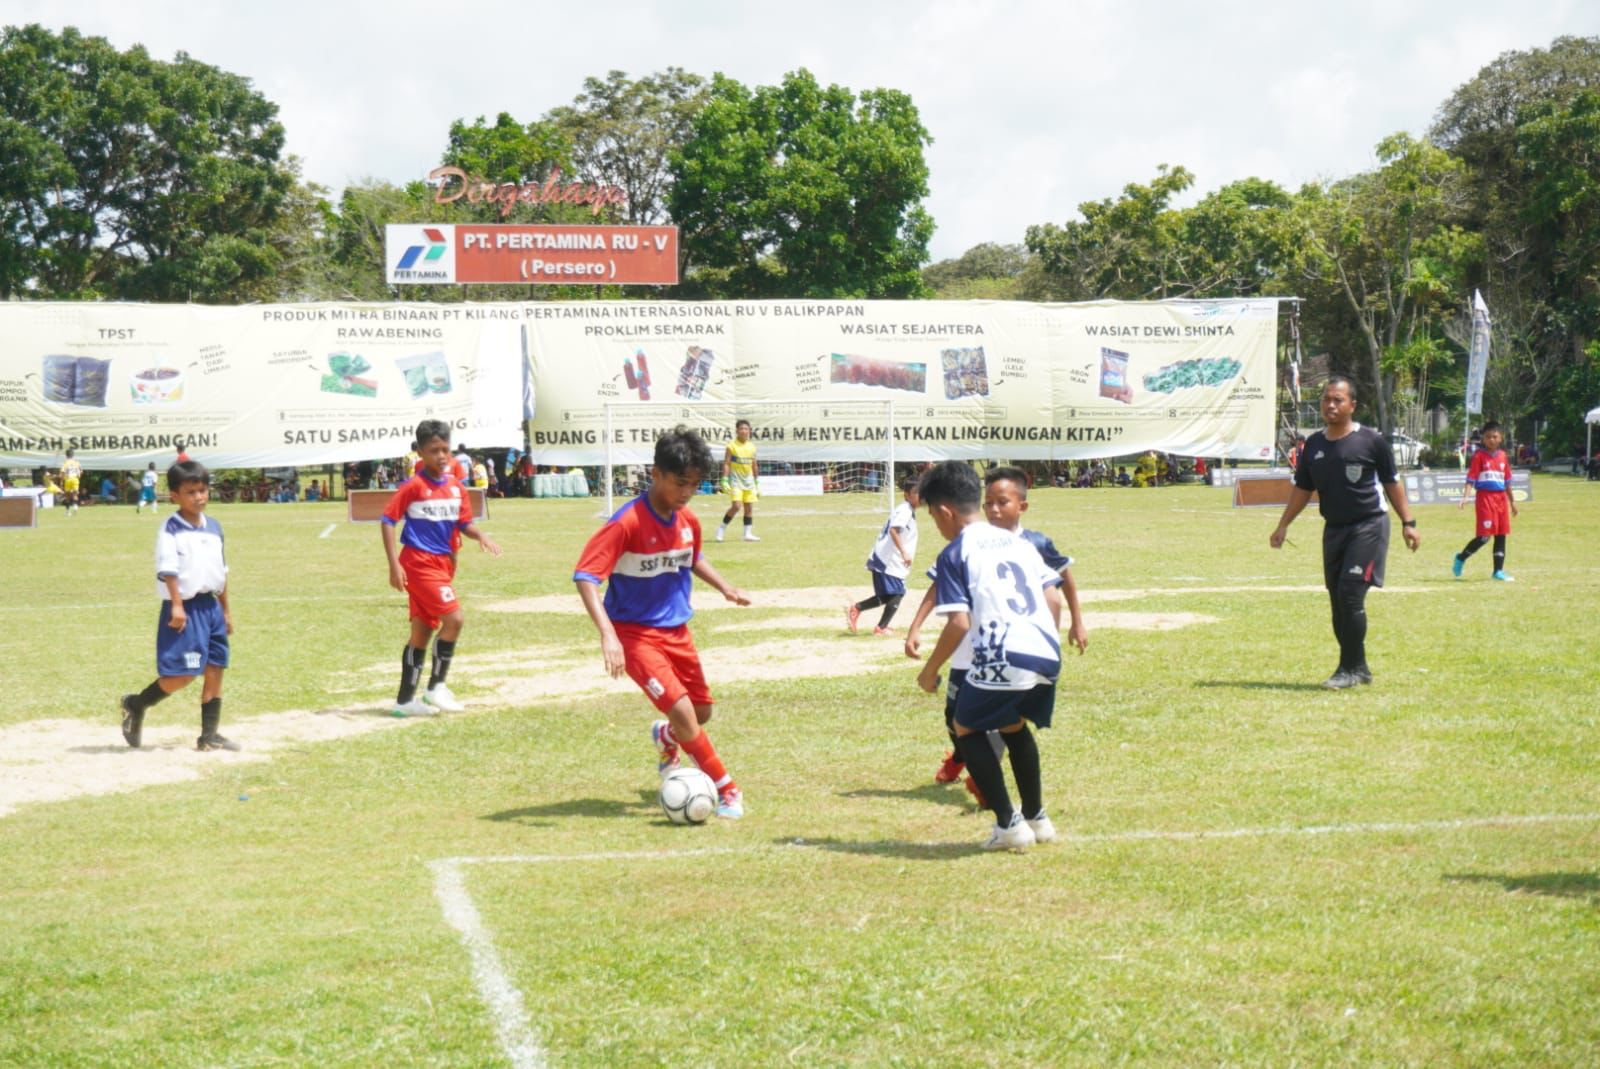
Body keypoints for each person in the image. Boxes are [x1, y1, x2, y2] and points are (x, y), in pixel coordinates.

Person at [574, 425, 751, 819]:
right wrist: (608, 636)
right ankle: (727, 790)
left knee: (700, 713)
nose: (686, 492)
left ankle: (665, 736)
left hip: (677, 632)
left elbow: (692, 557)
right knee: (686, 713)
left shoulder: (688, 521)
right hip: (635, 636)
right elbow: (586, 576)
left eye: (693, 484)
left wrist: (726, 587)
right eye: (679, 483)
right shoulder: (627, 523)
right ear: (656, 474)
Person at [906, 466, 1087, 800]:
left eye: (1002, 502)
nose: (994, 509)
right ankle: (983, 775)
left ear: (1022, 506)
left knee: (982, 721)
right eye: (989, 502)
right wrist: (915, 625)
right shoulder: (980, 543)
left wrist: (1069, 623)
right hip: (982, 651)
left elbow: (1059, 588)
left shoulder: (1028, 543)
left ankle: (996, 800)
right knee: (967, 719)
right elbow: (939, 587)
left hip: (995, 648)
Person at [1269, 376, 1420, 689]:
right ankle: (1358, 666)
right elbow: (1302, 489)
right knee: (1338, 600)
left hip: (1369, 526)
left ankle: (1348, 669)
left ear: (1352, 405)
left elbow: (1392, 483)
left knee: (1351, 594)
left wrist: (1409, 522)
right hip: (1334, 529)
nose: (1331, 405)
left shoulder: (1371, 441)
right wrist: (1283, 525)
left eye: (1338, 400)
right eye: (1326, 399)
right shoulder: (1314, 445)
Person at [381, 420, 502, 716]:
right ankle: (436, 687)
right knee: (455, 620)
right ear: (420, 452)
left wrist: (481, 535)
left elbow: (464, 524)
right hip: (419, 564)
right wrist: (394, 564)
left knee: (423, 631)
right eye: (434, 450)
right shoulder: (414, 487)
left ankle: (404, 702)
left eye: (445, 450)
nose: (441, 456)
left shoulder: (456, 488)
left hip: (443, 565)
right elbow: (387, 520)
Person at [118, 459, 239, 751]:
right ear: (175, 496)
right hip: (185, 607)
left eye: (202, 490)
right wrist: (176, 606)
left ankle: (209, 735)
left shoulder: (214, 528)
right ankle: (136, 703)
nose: (199, 497)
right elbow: (168, 570)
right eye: (191, 492)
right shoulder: (171, 529)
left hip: (211, 607)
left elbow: (221, 572)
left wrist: (226, 610)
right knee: (183, 674)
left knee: (215, 668)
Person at [846, 475, 921, 636]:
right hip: (888, 559)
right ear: (907, 495)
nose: (920, 496)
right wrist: (904, 552)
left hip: (887, 558)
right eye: (916, 493)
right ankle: (881, 627)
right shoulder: (905, 510)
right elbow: (894, 530)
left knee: (888, 596)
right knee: (898, 593)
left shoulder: (907, 510)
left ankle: (857, 609)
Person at [1453, 420, 1519, 581]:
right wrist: (1465, 497)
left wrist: (1513, 502)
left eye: (1494, 436)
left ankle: (1498, 571)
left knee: (1501, 534)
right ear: (1483, 439)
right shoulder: (1479, 456)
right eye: (1488, 437)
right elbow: (1471, 479)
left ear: (1500, 438)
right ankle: (1461, 558)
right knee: (1484, 536)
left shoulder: (1503, 456)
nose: (1491, 440)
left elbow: (1507, 481)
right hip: (1485, 498)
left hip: (1500, 499)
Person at [716, 419, 760, 542]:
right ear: (737, 431)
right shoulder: (731, 446)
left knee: (749, 508)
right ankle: (721, 528)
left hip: (749, 481)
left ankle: (747, 533)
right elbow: (726, 463)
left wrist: (757, 482)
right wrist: (724, 479)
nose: (744, 431)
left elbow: (754, 465)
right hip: (735, 481)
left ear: (749, 431)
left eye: (746, 429)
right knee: (736, 506)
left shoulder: (752, 447)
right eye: (741, 429)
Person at [60, 449, 83, 516]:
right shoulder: (77, 462)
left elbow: (62, 472)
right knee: (75, 494)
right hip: (75, 479)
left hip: (68, 479)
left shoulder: (65, 463)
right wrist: (78, 478)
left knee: (67, 496)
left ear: (66, 455)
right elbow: (81, 471)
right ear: (73, 455)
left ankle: (68, 511)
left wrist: (61, 482)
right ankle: (75, 506)